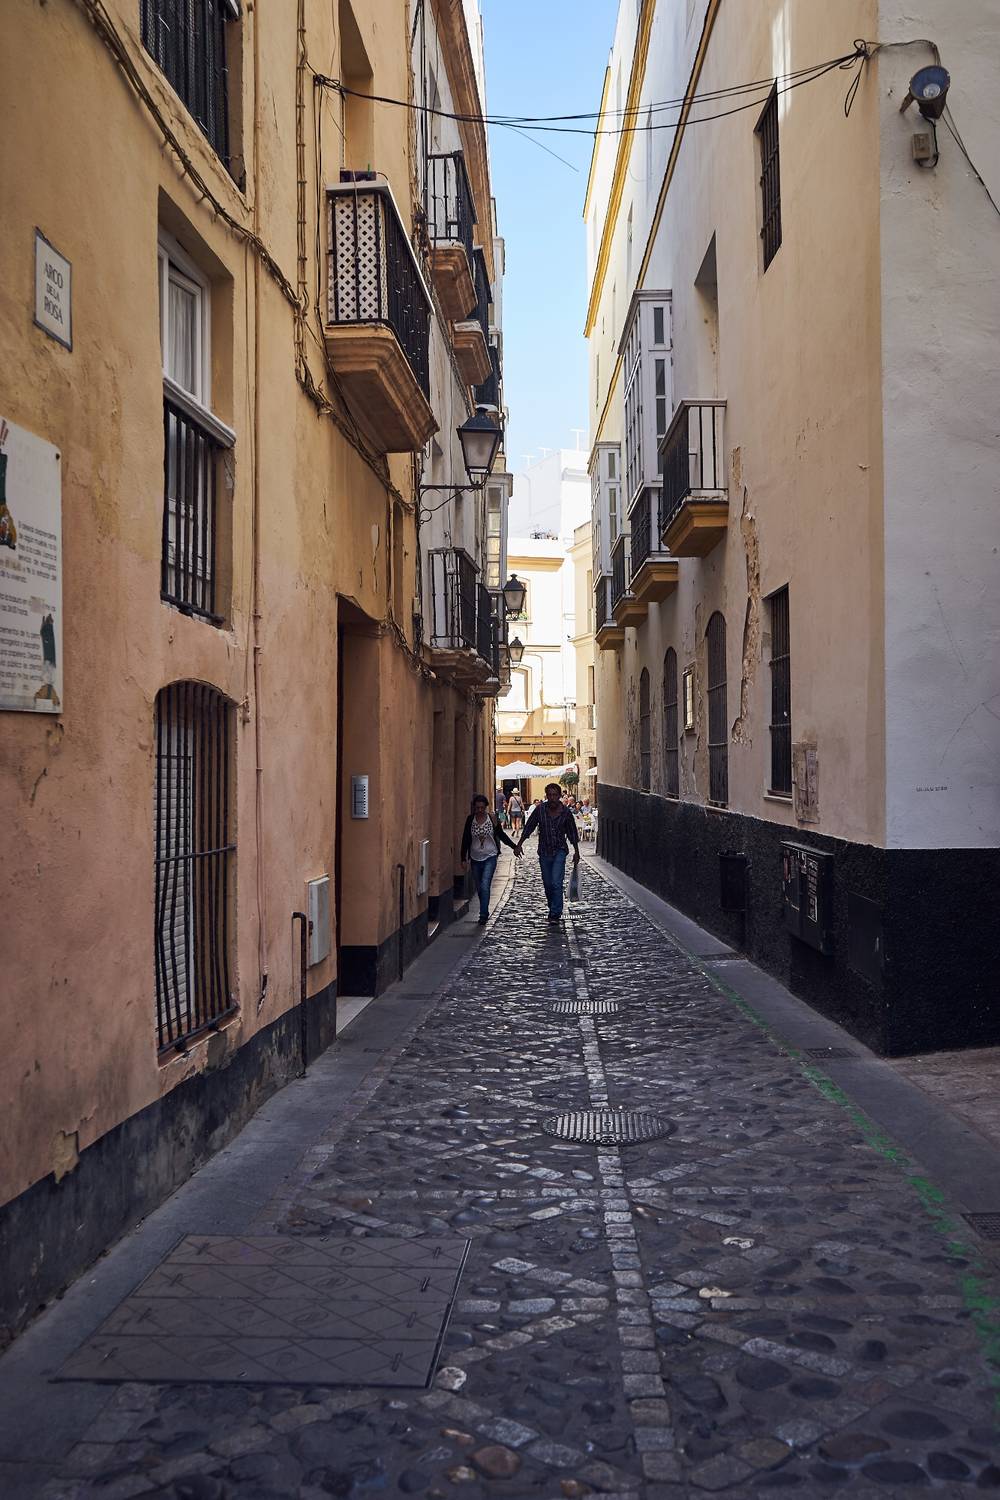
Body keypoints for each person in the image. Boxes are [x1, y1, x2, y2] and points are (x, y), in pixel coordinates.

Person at [518, 782, 580, 924]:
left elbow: (572, 833)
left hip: (560, 851)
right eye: (550, 795)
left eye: (555, 795)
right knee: (547, 884)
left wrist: (576, 852)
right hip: (544, 852)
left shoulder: (566, 812)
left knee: (556, 883)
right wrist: (519, 844)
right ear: (546, 796)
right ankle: (553, 906)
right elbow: (529, 826)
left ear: (559, 796)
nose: (552, 798)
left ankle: (555, 913)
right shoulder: (540, 810)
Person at [461, 793, 521, 923]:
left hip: (490, 856)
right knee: (479, 887)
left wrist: (514, 847)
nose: (480, 810)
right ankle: (484, 908)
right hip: (475, 857)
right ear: (474, 808)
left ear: (486, 807)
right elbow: (465, 839)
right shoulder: (470, 820)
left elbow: (501, 835)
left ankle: (483, 914)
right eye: (477, 808)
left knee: (485, 884)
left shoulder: (492, 819)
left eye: (482, 808)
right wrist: (463, 858)